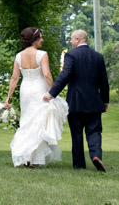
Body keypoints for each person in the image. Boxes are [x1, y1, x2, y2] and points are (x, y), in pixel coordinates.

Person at [43, 29, 110, 172]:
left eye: (72, 39)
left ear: (78, 39)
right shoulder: (98, 57)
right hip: (94, 102)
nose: (71, 42)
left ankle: (79, 165)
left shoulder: (71, 55)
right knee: (94, 131)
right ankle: (96, 156)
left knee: (77, 133)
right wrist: (105, 101)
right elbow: (104, 81)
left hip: (76, 102)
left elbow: (65, 75)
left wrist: (51, 93)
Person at [4, 26, 67, 167]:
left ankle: (26, 156)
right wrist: (52, 92)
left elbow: (14, 78)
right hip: (39, 90)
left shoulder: (19, 56)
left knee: (26, 121)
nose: (42, 40)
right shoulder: (42, 54)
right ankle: (36, 160)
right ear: (34, 40)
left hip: (25, 90)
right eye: (40, 38)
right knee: (38, 122)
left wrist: (9, 97)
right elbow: (46, 74)